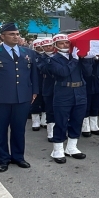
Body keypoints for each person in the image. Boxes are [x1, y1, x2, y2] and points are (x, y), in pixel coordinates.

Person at [0, 23, 38, 172]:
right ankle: (3, 159)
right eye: (12, 34)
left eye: (17, 34)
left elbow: (34, 74)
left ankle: (18, 157)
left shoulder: (28, 53)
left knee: (19, 129)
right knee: (0, 130)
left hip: (22, 97)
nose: (15, 36)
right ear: (2, 36)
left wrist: (34, 91)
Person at [44, 34, 94, 164]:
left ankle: (72, 147)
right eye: (61, 43)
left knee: (77, 120)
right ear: (55, 46)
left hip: (80, 92)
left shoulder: (76, 56)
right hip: (63, 93)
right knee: (61, 121)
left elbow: (88, 73)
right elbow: (63, 72)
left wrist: (87, 60)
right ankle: (58, 149)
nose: (65, 45)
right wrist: (75, 60)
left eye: (67, 43)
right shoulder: (53, 59)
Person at [36, 38, 56, 142]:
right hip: (48, 87)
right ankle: (51, 132)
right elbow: (44, 69)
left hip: (61, 87)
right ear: (42, 48)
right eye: (46, 46)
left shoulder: (59, 56)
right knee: (50, 110)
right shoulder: (41, 58)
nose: (49, 47)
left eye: (51, 45)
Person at [29, 39, 47, 131]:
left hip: (46, 81)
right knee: (35, 101)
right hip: (36, 81)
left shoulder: (46, 55)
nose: (41, 48)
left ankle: (44, 120)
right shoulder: (32, 56)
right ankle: (35, 121)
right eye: (39, 47)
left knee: (45, 101)